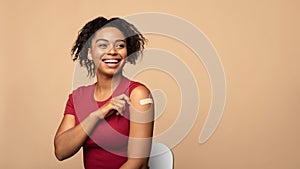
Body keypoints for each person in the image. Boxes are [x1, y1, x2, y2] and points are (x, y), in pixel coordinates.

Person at [54, 17, 154, 169]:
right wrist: (97, 114)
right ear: (89, 53)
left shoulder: (138, 94)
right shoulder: (78, 97)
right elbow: (61, 151)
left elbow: (138, 163)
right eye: (103, 45)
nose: (113, 51)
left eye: (120, 45)